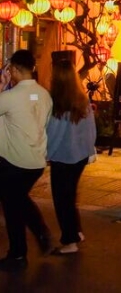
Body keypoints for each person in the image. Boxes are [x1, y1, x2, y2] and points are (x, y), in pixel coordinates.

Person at [0, 49, 54, 272]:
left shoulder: (10, 97)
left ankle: (20, 252)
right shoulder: (42, 94)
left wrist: (2, 86)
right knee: (16, 200)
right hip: (35, 160)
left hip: (13, 160)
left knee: (13, 205)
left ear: (13, 69)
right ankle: (35, 238)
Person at [45, 57, 96, 255]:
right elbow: (90, 129)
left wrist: (46, 153)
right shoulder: (82, 98)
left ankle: (70, 241)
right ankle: (76, 232)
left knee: (62, 199)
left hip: (63, 156)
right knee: (70, 195)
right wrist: (90, 151)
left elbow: (54, 134)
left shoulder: (57, 102)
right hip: (80, 156)